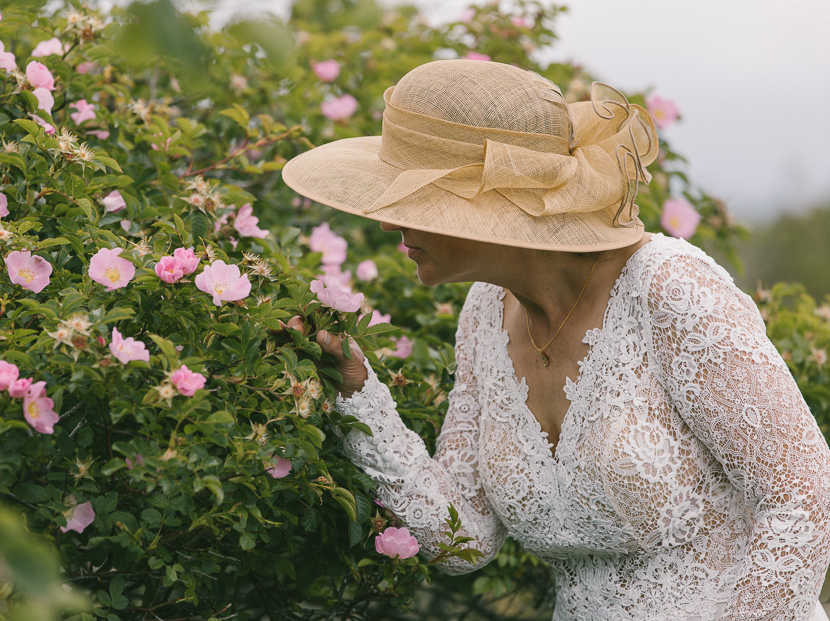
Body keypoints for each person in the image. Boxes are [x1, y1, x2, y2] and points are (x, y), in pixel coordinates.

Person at [281, 59, 830, 620]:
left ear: (491, 203)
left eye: (413, 200)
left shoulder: (669, 289)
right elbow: (461, 538)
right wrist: (359, 394)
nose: (386, 224)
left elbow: (803, 496)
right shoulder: (484, 314)